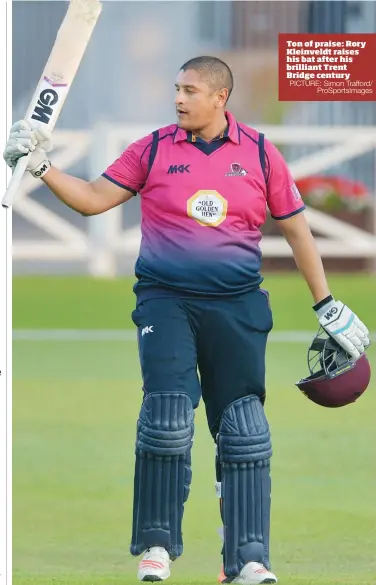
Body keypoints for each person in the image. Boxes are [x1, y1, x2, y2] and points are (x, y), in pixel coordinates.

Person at [4, 56, 369, 585]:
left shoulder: (262, 154)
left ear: (220, 98)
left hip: (238, 306)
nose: (178, 98)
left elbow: (296, 231)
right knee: (167, 419)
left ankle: (246, 558)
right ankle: (155, 548)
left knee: (244, 431)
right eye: (176, 88)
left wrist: (326, 304)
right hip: (166, 302)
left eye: (190, 90)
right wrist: (42, 167)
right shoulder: (152, 148)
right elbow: (91, 200)